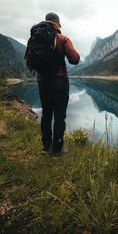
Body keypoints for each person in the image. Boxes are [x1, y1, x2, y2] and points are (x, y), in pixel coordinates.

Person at [27, 12, 80, 156]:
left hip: (42, 82)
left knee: (46, 114)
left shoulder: (35, 39)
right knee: (59, 116)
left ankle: (45, 147)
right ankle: (57, 149)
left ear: (46, 21)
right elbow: (75, 59)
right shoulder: (62, 38)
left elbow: (29, 62)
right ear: (57, 23)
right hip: (59, 81)